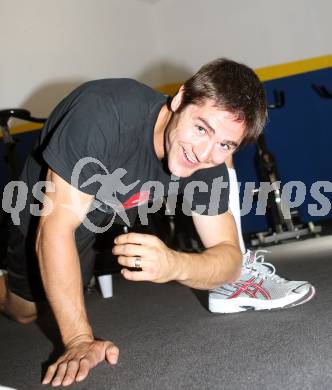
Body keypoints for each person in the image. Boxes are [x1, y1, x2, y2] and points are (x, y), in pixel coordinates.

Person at [0, 58, 314, 387]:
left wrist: (175, 264)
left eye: (225, 144)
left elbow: (230, 259)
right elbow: (55, 229)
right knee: (24, 311)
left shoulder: (209, 165)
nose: (204, 153)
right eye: (201, 128)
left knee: (67, 290)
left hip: (103, 214)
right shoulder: (104, 114)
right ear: (179, 100)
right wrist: (79, 340)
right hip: (43, 213)